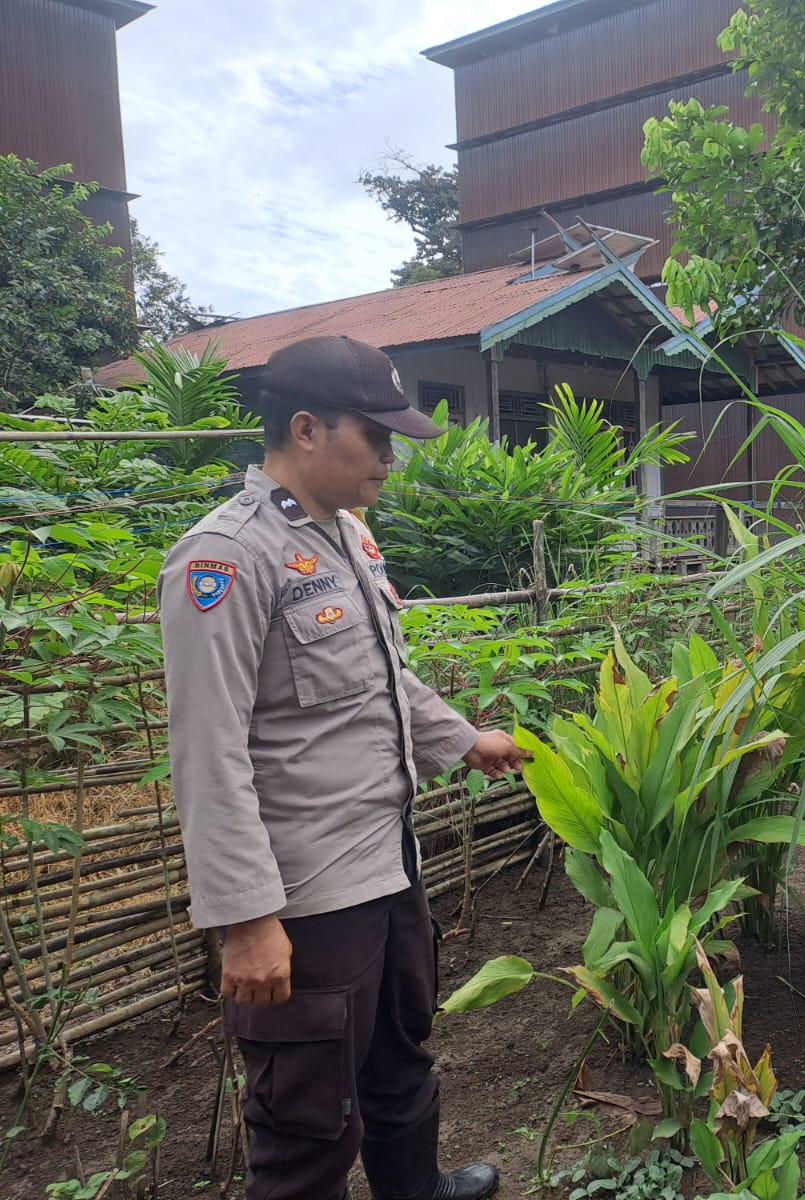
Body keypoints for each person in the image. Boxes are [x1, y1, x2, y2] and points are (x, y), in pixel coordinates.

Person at [159, 335, 525, 1200]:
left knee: (401, 1056)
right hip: (308, 898)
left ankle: (417, 1191)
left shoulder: (345, 539)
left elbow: (381, 679)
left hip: (386, 862)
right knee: (307, 1121)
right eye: (379, 436)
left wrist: (462, 740)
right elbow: (206, 755)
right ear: (307, 429)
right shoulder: (225, 560)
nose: (393, 460)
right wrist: (247, 920)